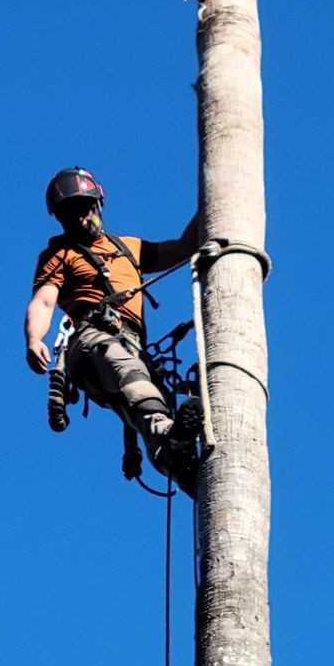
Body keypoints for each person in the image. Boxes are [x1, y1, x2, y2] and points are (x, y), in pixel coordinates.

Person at [24, 166, 201, 496]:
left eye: (81, 209)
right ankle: (172, 442)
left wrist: (210, 207)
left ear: (97, 205)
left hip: (130, 345)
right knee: (130, 375)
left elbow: (182, 247)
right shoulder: (59, 255)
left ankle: (177, 460)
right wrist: (35, 339)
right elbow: (44, 301)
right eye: (67, 214)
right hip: (92, 339)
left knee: (145, 401)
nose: (77, 219)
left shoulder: (129, 248)